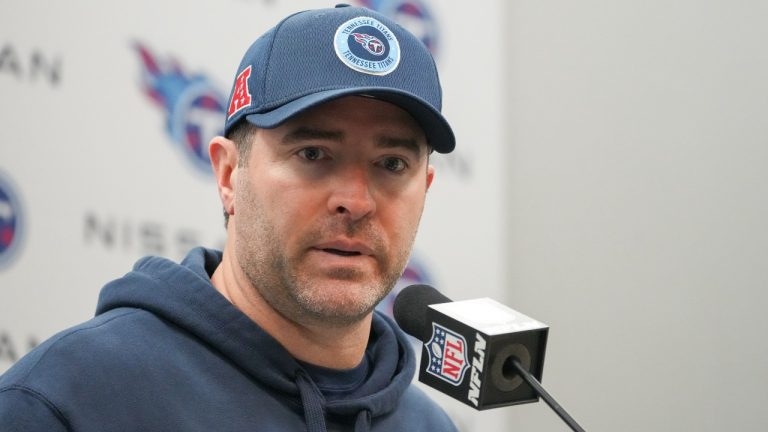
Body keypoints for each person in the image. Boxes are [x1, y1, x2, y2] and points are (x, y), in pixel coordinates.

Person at [0, 4, 457, 431]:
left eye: (393, 163)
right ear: (227, 175)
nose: (356, 201)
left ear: (426, 189)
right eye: (314, 153)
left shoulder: (429, 426)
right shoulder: (67, 399)